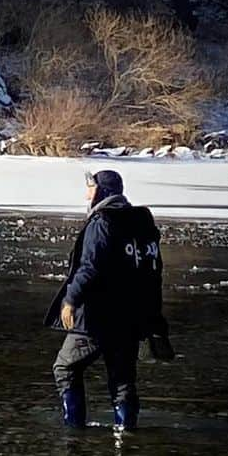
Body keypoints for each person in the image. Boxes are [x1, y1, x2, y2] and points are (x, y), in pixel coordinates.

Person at [45, 168, 171, 431]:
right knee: (122, 379)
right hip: (133, 317)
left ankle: (73, 431)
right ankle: (126, 435)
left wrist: (70, 301)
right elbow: (153, 272)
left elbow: (90, 266)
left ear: (102, 192)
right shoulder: (142, 224)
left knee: (65, 367)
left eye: (91, 188)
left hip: (99, 317)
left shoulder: (102, 222)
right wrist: (153, 319)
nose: (87, 194)